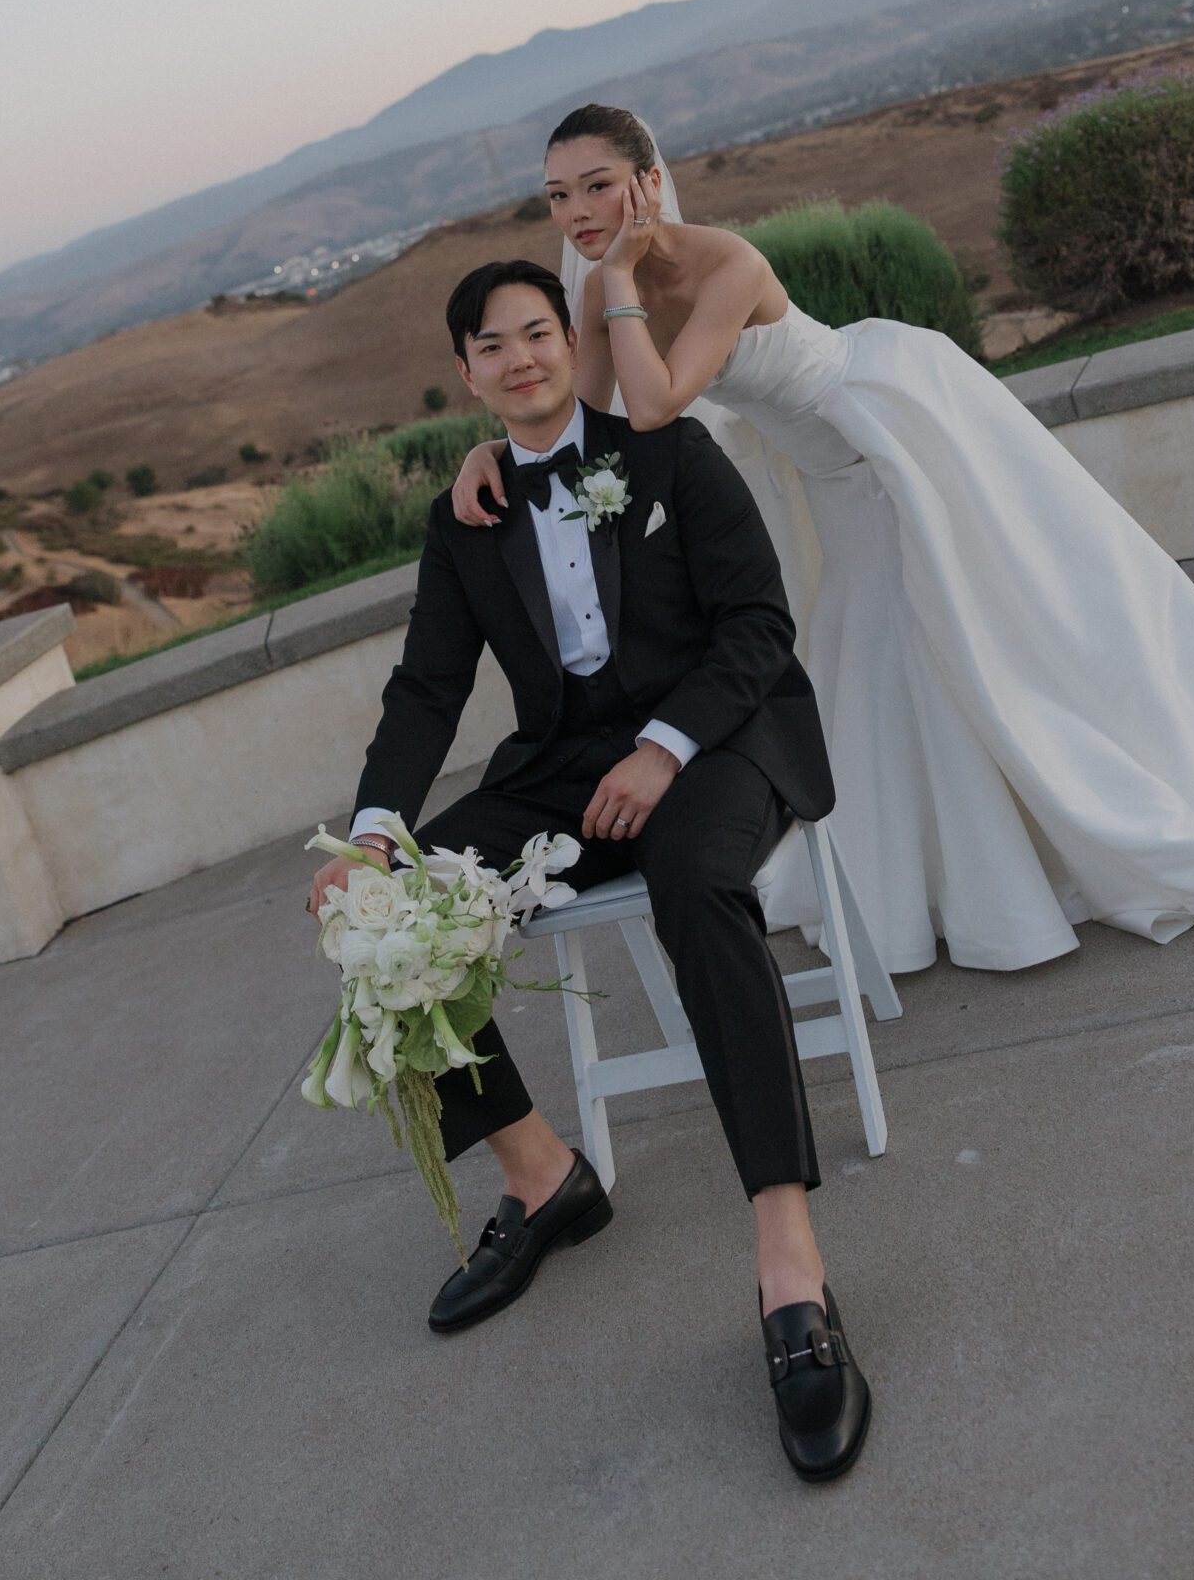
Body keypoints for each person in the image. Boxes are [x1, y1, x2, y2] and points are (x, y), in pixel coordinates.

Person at [451, 104, 1194, 976]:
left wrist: (620, 274)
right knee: (886, 643)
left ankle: (1011, 848)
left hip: (891, 434)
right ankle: (959, 853)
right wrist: (487, 458)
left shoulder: (724, 262)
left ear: (648, 179)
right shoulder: (596, 289)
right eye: (556, 196)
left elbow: (657, 404)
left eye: (596, 186)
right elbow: (581, 424)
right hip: (834, 472)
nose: (578, 212)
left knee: (952, 628)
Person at [309, 256, 871, 1484]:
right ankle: (543, 1174)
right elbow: (426, 688)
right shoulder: (466, 515)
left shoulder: (665, 451)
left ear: (569, 339)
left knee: (694, 885)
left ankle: (789, 1264)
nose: (519, 357)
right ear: (466, 373)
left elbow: (760, 626)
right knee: (397, 911)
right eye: (491, 345)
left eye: (535, 331)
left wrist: (666, 751)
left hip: (720, 730)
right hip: (563, 761)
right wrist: (368, 838)